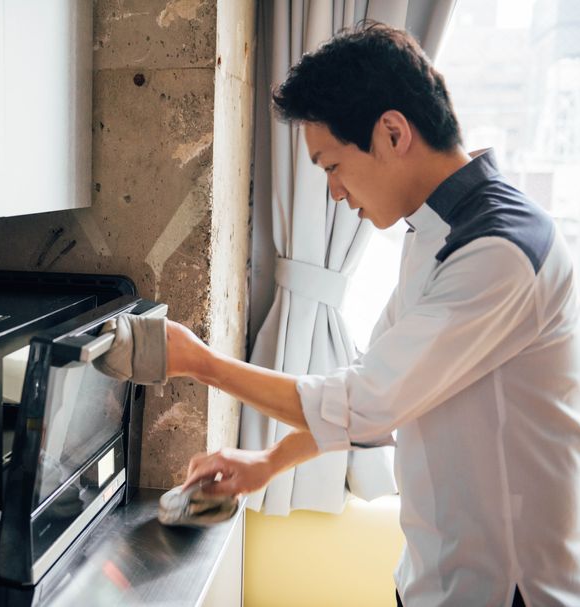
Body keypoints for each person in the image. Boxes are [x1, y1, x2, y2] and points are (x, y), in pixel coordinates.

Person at [166, 22, 580, 607]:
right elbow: (375, 389)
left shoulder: (499, 250)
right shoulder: (438, 234)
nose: (334, 192)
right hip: (433, 579)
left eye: (332, 165)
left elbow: (367, 402)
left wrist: (198, 363)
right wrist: (267, 461)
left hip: (503, 591)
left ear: (391, 132)